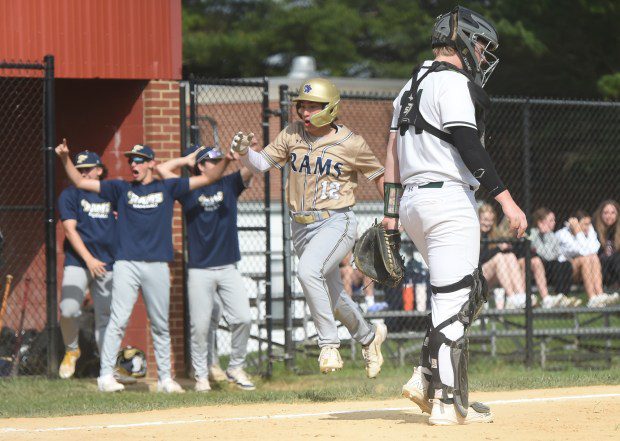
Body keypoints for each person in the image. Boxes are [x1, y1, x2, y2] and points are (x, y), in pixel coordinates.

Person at [382, 7, 527, 425]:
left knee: (462, 292)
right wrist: (506, 200)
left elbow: (392, 155)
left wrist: (391, 217)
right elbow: (469, 144)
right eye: (480, 46)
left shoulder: (409, 85)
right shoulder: (452, 84)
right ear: (462, 40)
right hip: (447, 201)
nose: (483, 56)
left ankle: (428, 377)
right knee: (455, 301)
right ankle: (445, 400)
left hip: (412, 202)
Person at [230, 77, 388, 378]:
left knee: (307, 272)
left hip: (336, 221)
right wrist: (243, 153)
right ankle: (369, 337)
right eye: (302, 106)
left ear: (330, 108)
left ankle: (329, 344)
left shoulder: (350, 142)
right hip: (300, 226)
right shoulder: (292, 133)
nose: (304, 112)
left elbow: (378, 176)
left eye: (312, 106)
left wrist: (395, 216)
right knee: (333, 296)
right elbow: (262, 164)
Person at [56, 140, 229, 393]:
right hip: (126, 264)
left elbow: (208, 178)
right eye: (131, 160)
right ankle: (105, 376)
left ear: (151, 164)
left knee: (160, 324)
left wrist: (228, 160)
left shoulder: (168, 187)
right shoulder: (120, 188)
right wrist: (64, 158)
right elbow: (81, 182)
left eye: (139, 160)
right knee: (118, 320)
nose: (133, 164)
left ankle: (165, 379)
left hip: (157, 264)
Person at [156, 145, 255, 392]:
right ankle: (201, 376)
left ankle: (235, 366)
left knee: (243, 318)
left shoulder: (229, 183)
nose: (218, 163)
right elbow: (160, 169)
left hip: (227, 266)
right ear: (200, 165)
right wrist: (185, 159)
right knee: (199, 326)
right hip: (200, 269)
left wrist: (248, 152)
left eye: (219, 160)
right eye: (212, 161)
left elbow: (253, 167)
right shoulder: (188, 189)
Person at [57, 150, 115, 379]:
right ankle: (72, 350)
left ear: (99, 170)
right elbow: (69, 230)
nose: (83, 173)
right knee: (69, 308)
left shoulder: (111, 193)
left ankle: (108, 369)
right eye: (80, 169)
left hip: (107, 263)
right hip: (79, 262)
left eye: (88, 168)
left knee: (106, 316)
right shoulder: (70, 195)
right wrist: (89, 259)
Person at [495, 212, 576, 308]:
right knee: (523, 261)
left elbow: (538, 253)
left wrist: (538, 236)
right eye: (516, 222)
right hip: (507, 269)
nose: (519, 225)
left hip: (526, 265)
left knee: (535, 261)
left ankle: (545, 298)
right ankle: (522, 297)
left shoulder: (528, 234)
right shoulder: (498, 237)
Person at [555, 210, 619, 307]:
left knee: (593, 257)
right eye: (584, 224)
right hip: (568, 272)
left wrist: (580, 232)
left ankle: (599, 293)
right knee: (585, 258)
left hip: (588, 269)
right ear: (575, 224)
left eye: (589, 224)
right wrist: (578, 232)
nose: (588, 227)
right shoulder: (562, 234)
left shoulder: (590, 230)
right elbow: (580, 251)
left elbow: (594, 250)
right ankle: (592, 298)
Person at [478, 203, 528, 309]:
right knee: (499, 257)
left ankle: (521, 295)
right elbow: (479, 259)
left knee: (510, 256)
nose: (488, 223)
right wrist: (498, 248)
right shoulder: (474, 234)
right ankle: (511, 297)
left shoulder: (494, 233)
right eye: (485, 220)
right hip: (477, 276)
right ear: (479, 219)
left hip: (492, 275)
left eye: (490, 220)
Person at [593, 200, 620, 289]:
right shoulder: (594, 229)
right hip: (602, 266)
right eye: (606, 213)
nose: (609, 216)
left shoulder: (618, 230)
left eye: (613, 213)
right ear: (601, 214)